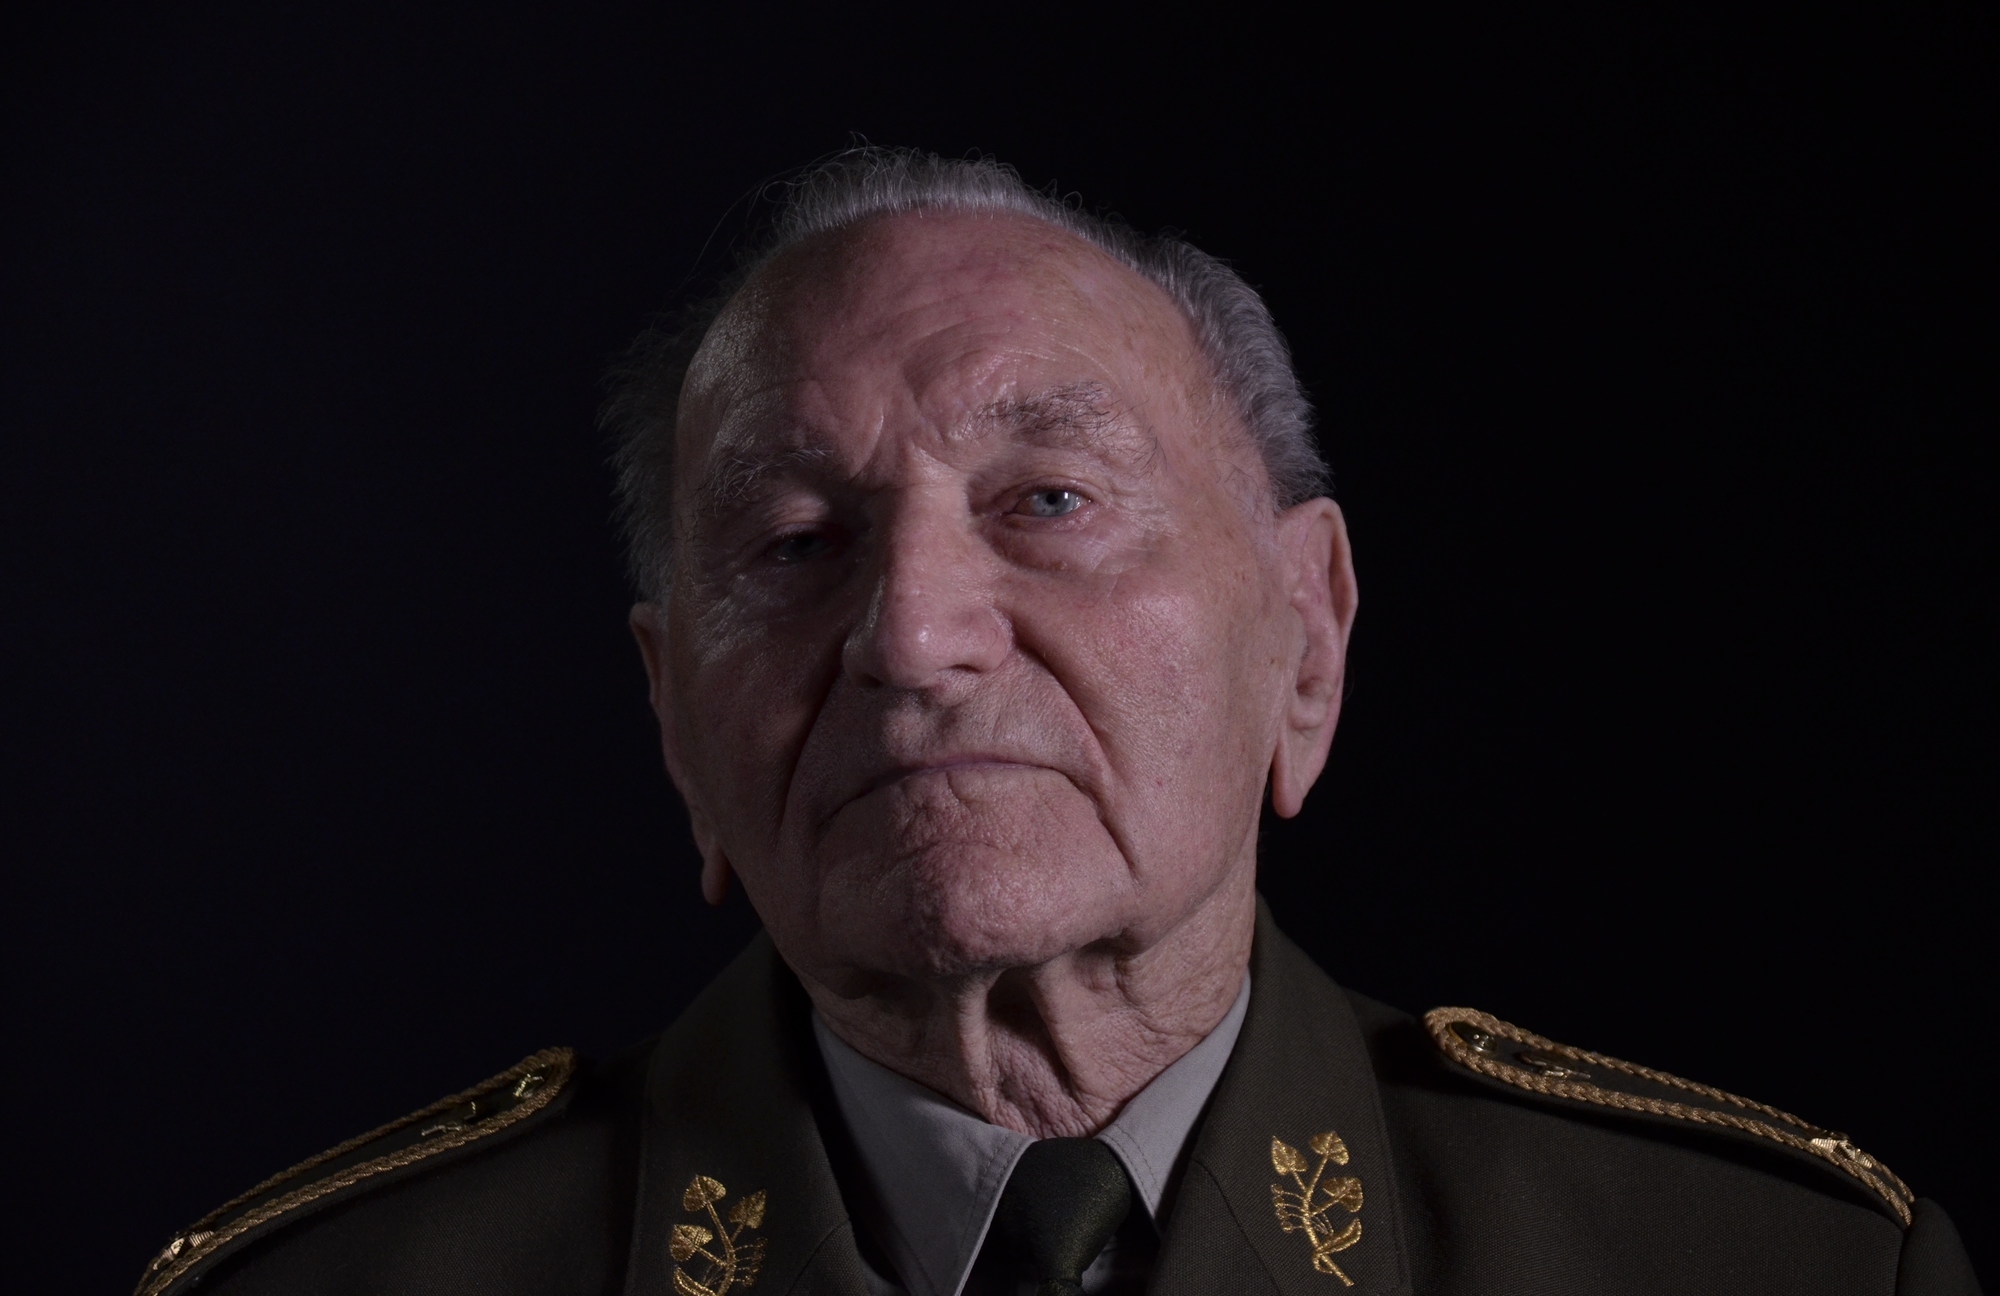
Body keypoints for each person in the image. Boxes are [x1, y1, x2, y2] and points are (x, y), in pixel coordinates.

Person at [135, 149, 1982, 1296]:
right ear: (678, 728)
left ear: (1307, 642)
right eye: (797, 541)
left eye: (1050, 500)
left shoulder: (1782, 1267)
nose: (915, 635)